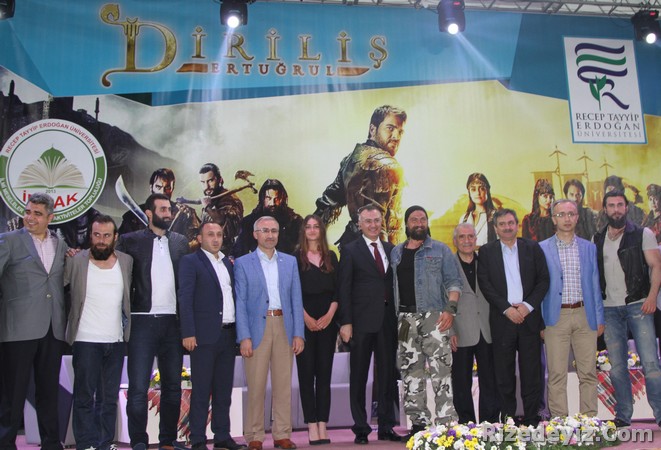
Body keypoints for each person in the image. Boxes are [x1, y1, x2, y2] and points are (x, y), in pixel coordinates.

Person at [116, 193, 190, 450]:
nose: (168, 213)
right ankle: (138, 441)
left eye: (169, 209)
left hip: (172, 323)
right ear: (149, 213)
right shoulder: (130, 241)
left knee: (173, 387)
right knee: (138, 388)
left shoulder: (180, 242)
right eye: (163, 209)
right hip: (141, 322)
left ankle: (168, 441)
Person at [0, 193, 68, 450]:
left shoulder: (60, 244)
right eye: (27, 212)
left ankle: (51, 443)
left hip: (53, 328)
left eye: (37, 214)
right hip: (18, 329)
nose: (29, 217)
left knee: (49, 391)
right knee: (13, 393)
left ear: (50, 217)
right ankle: (5, 443)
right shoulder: (8, 240)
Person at [234, 216, 305, 450]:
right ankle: (254, 435)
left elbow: (296, 299)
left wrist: (298, 333)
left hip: (284, 326)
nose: (270, 235)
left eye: (274, 230)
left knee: (283, 385)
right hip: (256, 330)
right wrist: (244, 336)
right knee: (256, 386)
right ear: (255, 234)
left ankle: (282, 433)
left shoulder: (290, 262)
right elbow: (240, 302)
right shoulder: (243, 263)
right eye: (265, 230)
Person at [391, 206, 462, 436]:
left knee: (441, 372)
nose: (419, 223)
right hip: (405, 320)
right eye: (414, 219)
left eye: (423, 219)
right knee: (411, 373)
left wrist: (450, 311)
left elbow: (454, 283)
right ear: (407, 224)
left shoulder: (440, 250)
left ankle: (447, 425)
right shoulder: (396, 252)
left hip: (435, 317)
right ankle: (418, 425)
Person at [593, 190, 661, 428]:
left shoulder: (643, 234)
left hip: (638, 305)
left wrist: (651, 297)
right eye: (611, 205)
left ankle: (660, 414)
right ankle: (623, 415)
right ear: (605, 209)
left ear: (626, 207)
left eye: (620, 205)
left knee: (650, 364)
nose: (616, 210)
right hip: (609, 310)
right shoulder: (597, 238)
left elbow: (656, 266)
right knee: (618, 366)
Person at [65, 215, 133, 450]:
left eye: (106, 235)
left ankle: (105, 443)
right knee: (84, 396)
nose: (101, 240)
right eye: (97, 235)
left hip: (115, 341)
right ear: (90, 236)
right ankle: (85, 444)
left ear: (115, 237)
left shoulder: (126, 261)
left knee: (109, 398)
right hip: (85, 340)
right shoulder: (76, 261)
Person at [477, 208, 550, 426]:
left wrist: (527, 307)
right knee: (504, 375)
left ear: (517, 225)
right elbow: (485, 284)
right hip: (503, 320)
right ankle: (507, 420)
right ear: (495, 228)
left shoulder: (532, 248)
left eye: (511, 223)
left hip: (529, 319)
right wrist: (507, 309)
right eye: (502, 224)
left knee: (531, 374)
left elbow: (543, 280)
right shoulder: (487, 252)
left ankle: (531, 420)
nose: (507, 227)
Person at [178, 222, 246, 450]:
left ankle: (222, 436)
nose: (216, 239)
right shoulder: (190, 262)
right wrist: (188, 332)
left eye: (219, 235)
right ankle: (197, 439)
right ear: (199, 238)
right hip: (203, 337)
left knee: (223, 391)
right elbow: (185, 299)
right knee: (200, 390)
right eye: (210, 235)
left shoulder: (227, 262)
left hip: (228, 335)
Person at [338, 204, 402, 445]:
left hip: (387, 322)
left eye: (376, 220)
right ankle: (361, 428)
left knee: (387, 376)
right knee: (359, 376)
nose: (373, 225)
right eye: (368, 221)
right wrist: (346, 322)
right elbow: (344, 288)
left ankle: (386, 426)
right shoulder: (350, 250)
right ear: (359, 224)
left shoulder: (391, 249)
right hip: (360, 323)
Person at [539, 200, 604, 419]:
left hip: (585, 315)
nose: (567, 219)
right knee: (557, 374)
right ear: (553, 218)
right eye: (561, 214)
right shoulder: (542, 248)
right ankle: (560, 423)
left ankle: (589, 421)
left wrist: (599, 318)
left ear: (577, 217)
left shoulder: (588, 247)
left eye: (571, 214)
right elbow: (538, 287)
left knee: (588, 373)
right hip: (555, 318)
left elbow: (595, 284)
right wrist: (540, 322)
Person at [314, 105, 406, 249]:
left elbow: (327, 203)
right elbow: (377, 226)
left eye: (400, 131)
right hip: (374, 252)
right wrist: (385, 260)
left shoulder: (352, 158)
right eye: (390, 128)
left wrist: (305, 242)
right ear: (372, 129)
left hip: (350, 246)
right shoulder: (387, 165)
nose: (396, 137)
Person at [294, 215, 338, 445]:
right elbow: (292, 292)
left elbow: (338, 291)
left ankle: (323, 423)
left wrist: (330, 315)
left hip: (327, 322)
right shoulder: (295, 258)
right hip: (304, 322)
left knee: (324, 374)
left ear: (321, 230)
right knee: (306, 373)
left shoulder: (332, 257)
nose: (312, 230)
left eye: (316, 227)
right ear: (303, 231)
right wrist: (306, 318)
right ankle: (311, 424)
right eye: (308, 227)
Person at [450, 223, 500, 425]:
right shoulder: (448, 265)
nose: (467, 241)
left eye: (470, 236)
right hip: (460, 331)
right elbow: (442, 300)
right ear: (455, 241)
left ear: (476, 239)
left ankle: (489, 423)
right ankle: (466, 423)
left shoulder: (486, 263)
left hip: (487, 330)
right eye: (462, 237)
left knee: (490, 380)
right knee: (461, 381)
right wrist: (450, 330)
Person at [118, 168, 200, 243]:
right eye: (158, 187)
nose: (162, 192)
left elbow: (196, 243)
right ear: (151, 188)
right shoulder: (132, 217)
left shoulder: (184, 213)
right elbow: (120, 245)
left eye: (167, 187)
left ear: (172, 188)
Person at [233, 179, 303, 258]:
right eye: (268, 198)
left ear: (282, 199)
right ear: (263, 199)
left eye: (277, 199)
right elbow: (239, 251)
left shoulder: (295, 222)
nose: (272, 203)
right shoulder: (249, 222)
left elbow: (301, 251)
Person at [198, 163, 244, 254]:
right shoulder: (211, 200)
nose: (206, 187)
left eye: (210, 181)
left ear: (220, 180)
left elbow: (225, 225)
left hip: (227, 253)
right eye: (203, 182)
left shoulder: (230, 200)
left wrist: (208, 207)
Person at [459, 173, 498, 247]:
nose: (477, 193)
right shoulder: (464, 219)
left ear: (487, 191)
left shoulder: (497, 216)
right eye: (473, 189)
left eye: (482, 189)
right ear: (469, 192)